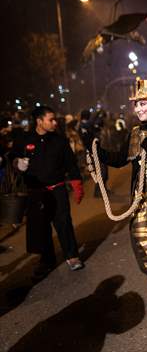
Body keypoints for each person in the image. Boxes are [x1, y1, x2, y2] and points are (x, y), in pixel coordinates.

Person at [81, 79, 147, 309]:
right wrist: (98, 151)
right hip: (140, 195)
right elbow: (122, 159)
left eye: (144, 104)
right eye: (137, 104)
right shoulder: (134, 133)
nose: (139, 108)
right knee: (140, 235)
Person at [11, 106, 84, 278]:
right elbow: (11, 156)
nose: (54, 123)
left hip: (57, 189)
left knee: (64, 223)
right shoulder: (24, 139)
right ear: (39, 121)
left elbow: (71, 164)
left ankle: (72, 255)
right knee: (41, 227)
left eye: (54, 119)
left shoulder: (59, 141)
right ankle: (46, 260)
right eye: (50, 120)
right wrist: (17, 163)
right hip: (36, 192)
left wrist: (77, 184)